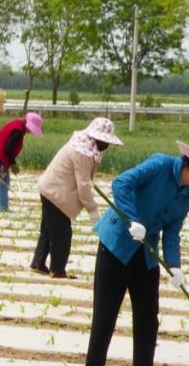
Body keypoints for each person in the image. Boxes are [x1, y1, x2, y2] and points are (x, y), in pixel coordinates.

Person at [82, 141, 189, 366]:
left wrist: (174, 265)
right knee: (107, 308)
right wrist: (132, 219)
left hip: (146, 250)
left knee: (148, 313)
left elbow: (172, 231)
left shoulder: (188, 194)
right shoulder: (160, 164)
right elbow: (121, 183)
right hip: (118, 243)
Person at [32, 117, 123, 279]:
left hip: (50, 188)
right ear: (95, 138)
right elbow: (83, 184)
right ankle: (58, 270)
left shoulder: (83, 145)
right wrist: (92, 209)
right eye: (104, 141)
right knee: (62, 233)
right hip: (56, 193)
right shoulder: (82, 152)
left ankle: (37, 264)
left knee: (48, 229)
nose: (106, 145)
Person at [0, 111, 43, 211]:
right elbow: (8, 150)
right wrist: (13, 164)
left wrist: (11, 163)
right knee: (4, 181)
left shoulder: (17, 124)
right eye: (32, 129)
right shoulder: (18, 132)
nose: (31, 132)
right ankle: (3, 208)